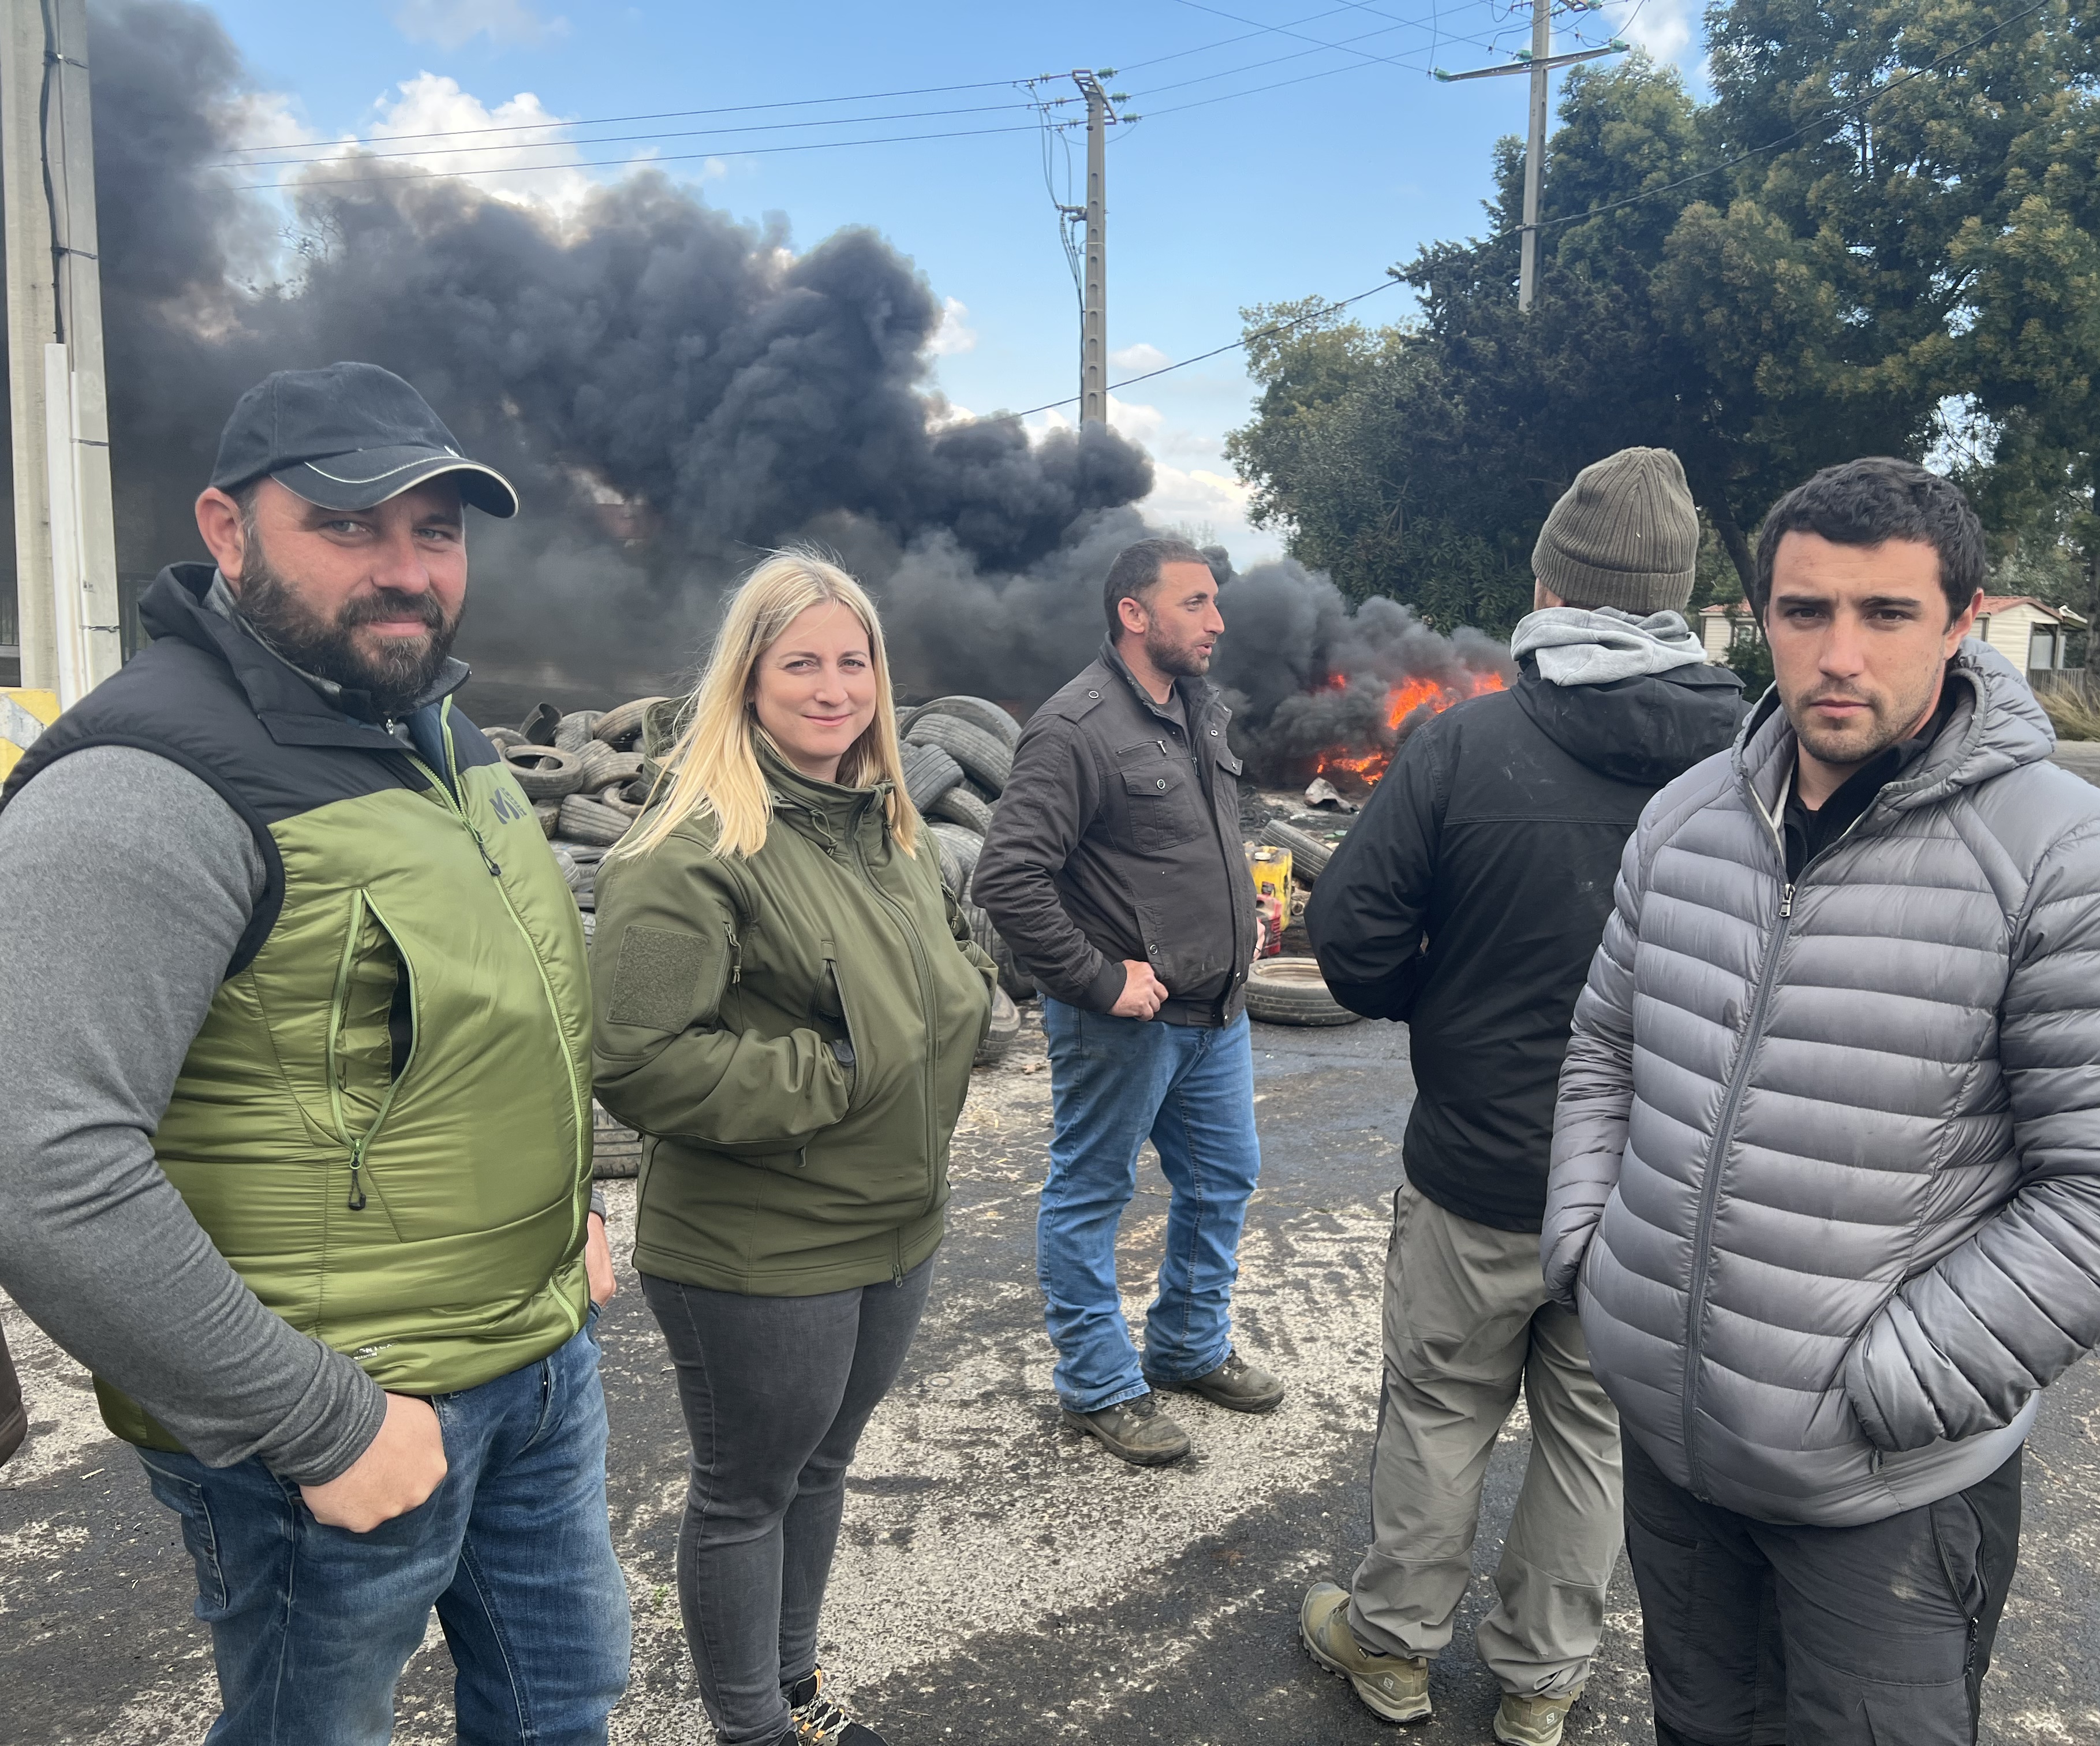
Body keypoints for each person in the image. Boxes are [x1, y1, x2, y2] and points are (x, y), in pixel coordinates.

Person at [1542, 457, 2100, 1746]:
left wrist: (1886, 1385)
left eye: (1886, 614)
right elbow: (1606, 1046)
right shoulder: (1688, 821)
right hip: (1677, 1451)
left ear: (1964, 624)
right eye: (1806, 612)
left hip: (1881, 1486)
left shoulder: (2077, 859)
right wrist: (1592, 1254)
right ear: (1762, 621)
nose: (1838, 654)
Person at [0, 362, 628, 1743]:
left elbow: (493, 1018)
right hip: (336, 1421)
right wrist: (319, 1424)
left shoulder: (433, 735)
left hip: (531, 1362)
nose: (407, 571)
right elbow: (38, 1168)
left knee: (562, 1706)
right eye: (352, 527)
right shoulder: (144, 787)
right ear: (228, 532)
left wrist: (565, 1208)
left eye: (439, 531)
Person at [1299, 448, 1746, 1746]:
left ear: (1549, 581)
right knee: (1594, 1433)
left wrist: (1448, 996)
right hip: (1655, 1192)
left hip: (1477, 1176)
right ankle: (1541, 1683)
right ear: (1678, 596)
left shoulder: (1466, 742)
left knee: (1440, 1412)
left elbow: (1352, 940)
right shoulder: (1752, 762)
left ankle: (1390, 1649)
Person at [592, 550, 996, 1746]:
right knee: (747, 1490)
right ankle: (750, 1729)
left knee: (821, 1469)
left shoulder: (893, 831)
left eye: (853, 659)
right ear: (748, 681)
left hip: (895, 1224)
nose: (834, 687)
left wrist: (961, 997)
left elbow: (943, 979)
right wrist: (840, 1074)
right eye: (800, 663)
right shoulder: (691, 847)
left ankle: (797, 1691)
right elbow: (640, 1056)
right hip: (759, 1247)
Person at [973, 536, 1275, 1467]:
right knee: (1091, 1195)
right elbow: (1008, 877)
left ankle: (1185, 1348)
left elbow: (1200, 841)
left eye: (1215, 602)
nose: (1217, 621)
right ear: (1132, 614)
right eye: (1195, 603)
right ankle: (1100, 1385)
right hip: (1124, 1023)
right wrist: (1102, 979)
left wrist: (1245, 916)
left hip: (1216, 1015)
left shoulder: (1199, 711)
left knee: (1223, 1180)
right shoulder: (1075, 728)